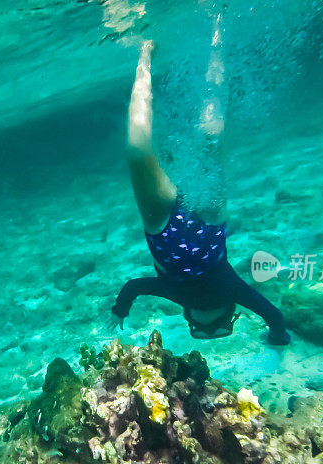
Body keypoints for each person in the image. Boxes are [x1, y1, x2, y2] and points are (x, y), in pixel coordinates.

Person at [109, 40, 290, 345]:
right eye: (216, 329)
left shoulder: (228, 294)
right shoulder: (230, 291)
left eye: (201, 331)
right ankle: (212, 37)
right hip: (189, 226)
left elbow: (273, 316)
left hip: (173, 226)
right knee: (184, 140)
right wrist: (119, 311)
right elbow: (274, 317)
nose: (208, 327)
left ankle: (150, 52)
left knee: (156, 147)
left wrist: (120, 310)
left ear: (190, 319)